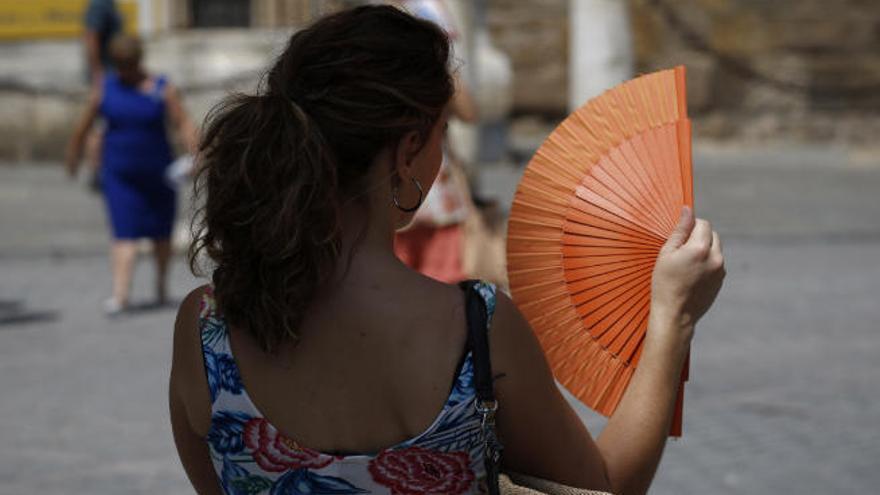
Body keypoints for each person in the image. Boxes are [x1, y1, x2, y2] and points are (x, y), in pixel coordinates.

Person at [168, 6, 724, 495]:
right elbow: (603, 490)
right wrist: (671, 318)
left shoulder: (204, 330)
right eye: (440, 135)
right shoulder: (476, 328)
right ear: (408, 149)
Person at [66, 34, 198, 314]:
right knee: (124, 233)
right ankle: (121, 294)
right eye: (120, 64)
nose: (124, 69)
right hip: (120, 175)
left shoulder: (162, 89)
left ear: (138, 61)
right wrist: (74, 155)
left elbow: (183, 123)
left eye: (128, 63)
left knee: (161, 233)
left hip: (159, 174)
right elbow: (84, 126)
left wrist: (195, 155)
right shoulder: (104, 89)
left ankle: (161, 285)